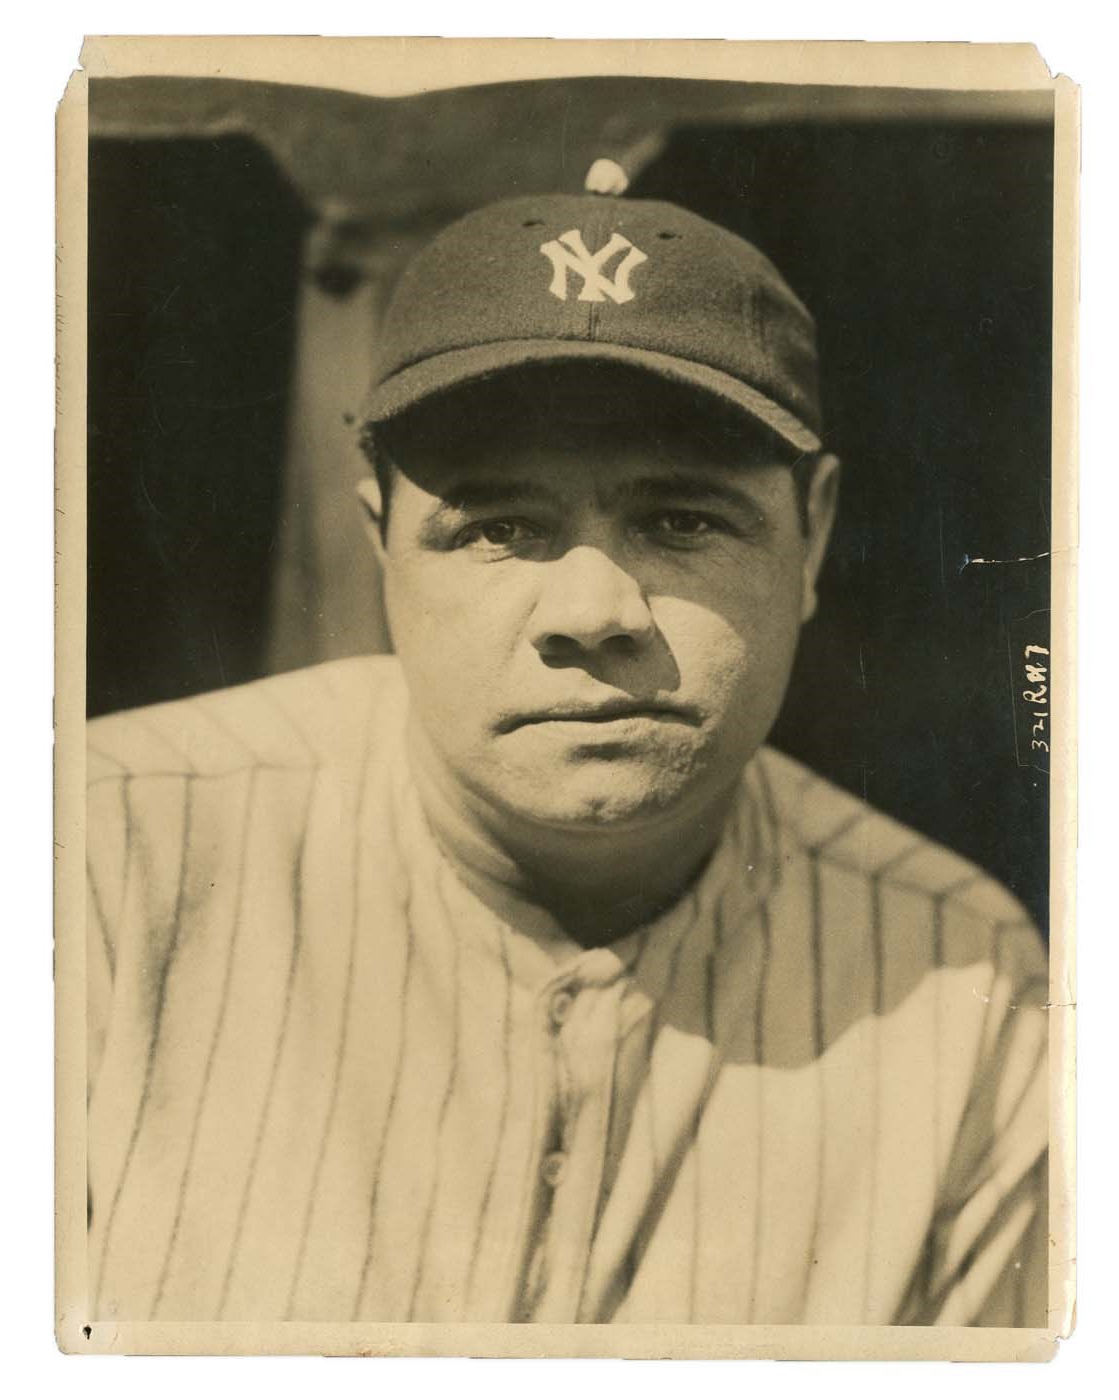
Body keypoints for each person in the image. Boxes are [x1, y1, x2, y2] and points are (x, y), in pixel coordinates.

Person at [85, 174, 1048, 1327]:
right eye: (501, 527)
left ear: (813, 536)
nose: (594, 609)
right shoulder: (94, 857)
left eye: (681, 519)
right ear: (381, 540)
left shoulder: (965, 980)